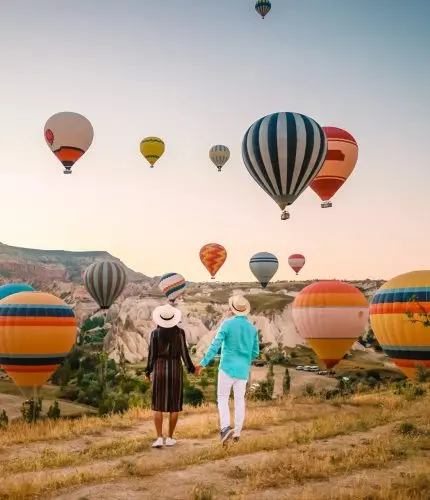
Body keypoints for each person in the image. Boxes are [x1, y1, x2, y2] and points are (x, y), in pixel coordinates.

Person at [198, 295, 259, 445]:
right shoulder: (252, 329)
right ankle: (237, 432)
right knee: (239, 400)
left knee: (223, 399)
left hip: (226, 368)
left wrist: (203, 363)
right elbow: (256, 352)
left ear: (233, 309)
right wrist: (244, 357)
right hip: (243, 370)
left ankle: (225, 428)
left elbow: (215, 345)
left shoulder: (227, 324)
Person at [145, 303, 196, 448]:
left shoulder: (155, 334)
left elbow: (152, 355)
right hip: (175, 369)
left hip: (159, 368)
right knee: (174, 406)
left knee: (158, 406)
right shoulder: (180, 333)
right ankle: (170, 438)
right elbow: (185, 354)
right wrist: (192, 369)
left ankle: (159, 438)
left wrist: (148, 371)